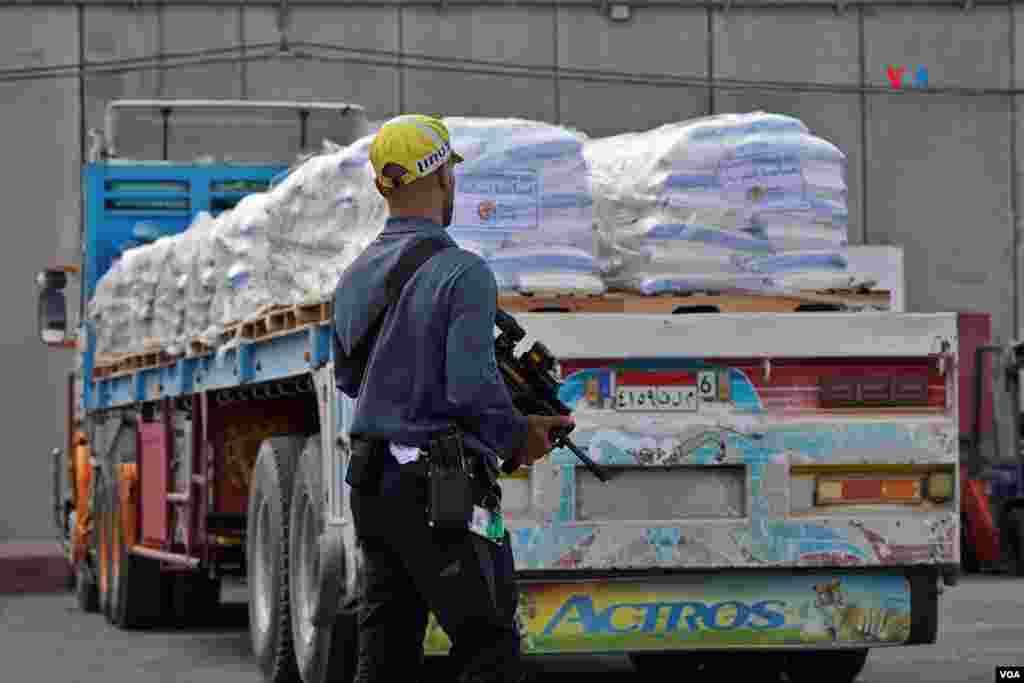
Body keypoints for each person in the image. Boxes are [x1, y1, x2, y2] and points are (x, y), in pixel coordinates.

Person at [332, 114, 574, 683]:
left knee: (387, 650)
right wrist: (519, 436)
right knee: (488, 646)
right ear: (444, 176)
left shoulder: (353, 277)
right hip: (438, 491)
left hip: (371, 488)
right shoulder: (463, 273)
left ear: (381, 186)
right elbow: (469, 386)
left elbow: (351, 379)